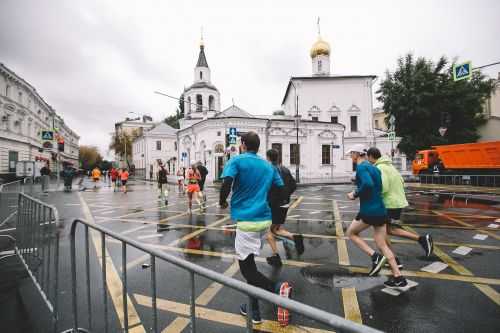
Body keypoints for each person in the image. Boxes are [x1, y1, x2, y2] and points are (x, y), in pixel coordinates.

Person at [219, 131, 292, 326]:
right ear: (258, 146)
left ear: (242, 144)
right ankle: (254, 311)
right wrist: (267, 202)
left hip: (247, 221)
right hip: (264, 220)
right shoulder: (268, 166)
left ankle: (276, 289)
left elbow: (226, 182)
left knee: (247, 269)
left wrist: (222, 202)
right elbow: (282, 188)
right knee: (251, 265)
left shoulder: (237, 161)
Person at [345, 144, 407, 289]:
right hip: (381, 209)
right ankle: (398, 277)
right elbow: (377, 186)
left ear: (356, 154)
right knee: (382, 244)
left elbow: (367, 184)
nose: (350, 156)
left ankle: (375, 257)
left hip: (369, 210)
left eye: (351, 154)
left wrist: (354, 193)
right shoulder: (374, 168)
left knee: (351, 233)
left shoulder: (361, 167)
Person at [366, 147, 433, 261]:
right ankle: (421, 240)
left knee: (382, 231)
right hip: (396, 202)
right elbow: (401, 181)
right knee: (389, 230)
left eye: (368, 158)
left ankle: (393, 259)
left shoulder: (380, 168)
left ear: (371, 156)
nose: (368, 160)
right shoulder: (390, 166)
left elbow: (383, 187)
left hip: (389, 204)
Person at [265, 149, 304, 267]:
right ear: (278, 157)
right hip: (284, 204)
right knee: (275, 229)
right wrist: (285, 196)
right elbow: (293, 186)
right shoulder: (285, 169)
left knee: (267, 231)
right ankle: (294, 237)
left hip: (273, 205)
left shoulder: (269, 170)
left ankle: (276, 256)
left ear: (268, 158)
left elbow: (266, 187)